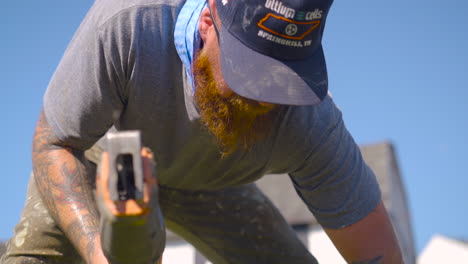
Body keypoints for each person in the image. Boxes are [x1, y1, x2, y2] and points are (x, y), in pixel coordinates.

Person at [1, 0, 404, 263]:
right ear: (209, 21)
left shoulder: (308, 120)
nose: (264, 97)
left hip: (214, 184)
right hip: (101, 163)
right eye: (251, 72)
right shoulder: (129, 27)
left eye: (284, 78)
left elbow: (377, 254)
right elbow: (54, 143)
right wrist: (99, 254)